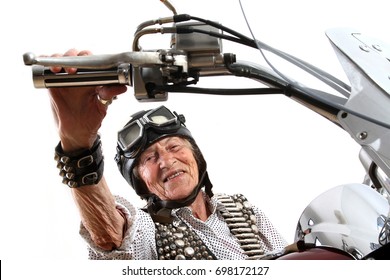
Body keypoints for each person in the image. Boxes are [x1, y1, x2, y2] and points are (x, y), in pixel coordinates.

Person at [49, 49, 287, 260]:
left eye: (174, 147)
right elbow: (110, 237)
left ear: (196, 156)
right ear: (141, 182)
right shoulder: (146, 229)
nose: (166, 161)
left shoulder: (242, 209)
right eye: (149, 159)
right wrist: (77, 145)